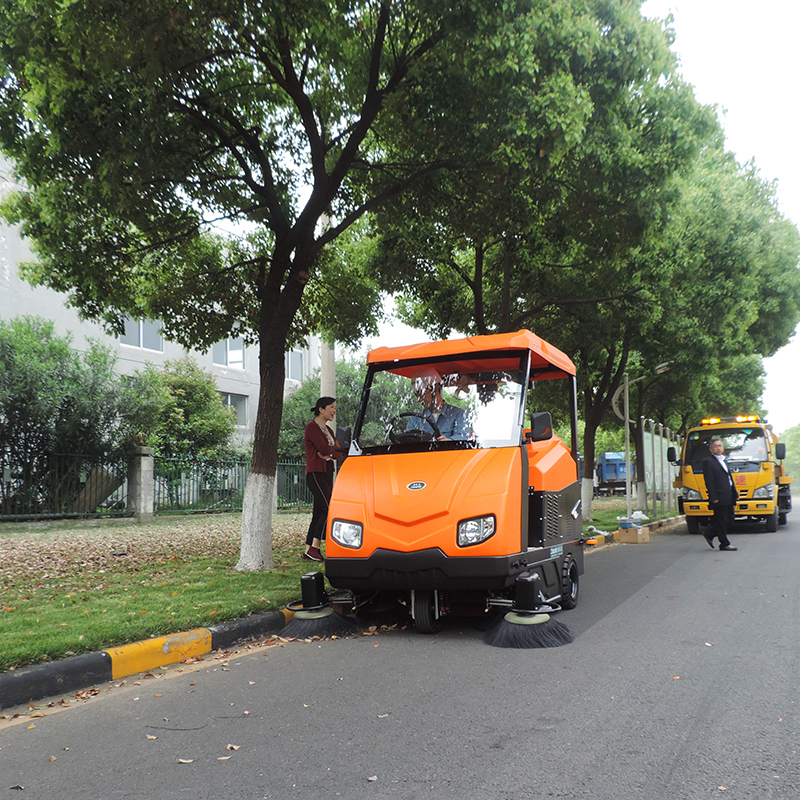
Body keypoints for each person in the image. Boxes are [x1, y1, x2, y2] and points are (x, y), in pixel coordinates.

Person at [303, 396, 342, 562]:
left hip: (327, 472)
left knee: (318, 511)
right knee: (329, 508)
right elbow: (325, 448)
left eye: (335, 407)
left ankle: (308, 551)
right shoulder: (312, 427)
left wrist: (330, 452)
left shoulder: (330, 431)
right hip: (315, 474)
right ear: (321, 409)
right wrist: (329, 451)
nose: (334, 410)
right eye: (331, 407)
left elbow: (338, 450)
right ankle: (315, 548)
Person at [406, 366, 468, 441]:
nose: (419, 399)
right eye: (416, 395)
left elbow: (463, 439)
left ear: (434, 389)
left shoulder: (459, 415)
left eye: (422, 394)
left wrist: (448, 442)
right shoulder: (415, 420)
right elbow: (409, 442)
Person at [702, 437, 738, 551]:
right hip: (719, 495)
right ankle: (724, 543)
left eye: (720, 446)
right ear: (711, 449)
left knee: (730, 519)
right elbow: (709, 481)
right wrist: (713, 497)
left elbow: (729, 478)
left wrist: (735, 492)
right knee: (721, 520)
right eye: (716, 446)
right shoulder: (708, 462)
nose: (718, 448)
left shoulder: (723, 460)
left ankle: (710, 533)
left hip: (728, 494)